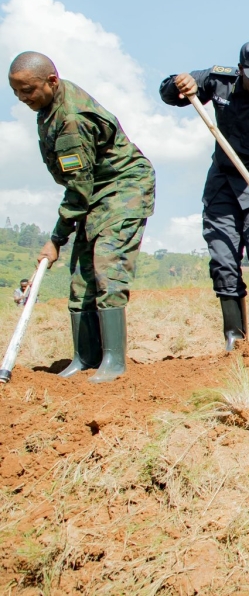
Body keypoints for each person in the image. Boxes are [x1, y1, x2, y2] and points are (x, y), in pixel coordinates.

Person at [10, 52, 155, 382]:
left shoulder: (72, 121)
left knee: (107, 268)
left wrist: (55, 240)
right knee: (81, 276)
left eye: (27, 90)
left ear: (52, 81)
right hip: (94, 189)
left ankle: (113, 362)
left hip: (123, 186)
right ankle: (84, 357)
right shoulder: (49, 105)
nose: (22, 98)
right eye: (15, 92)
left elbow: (78, 191)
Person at [160, 42, 249, 350]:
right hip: (224, 182)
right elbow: (171, 93)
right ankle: (235, 341)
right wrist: (178, 83)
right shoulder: (218, 80)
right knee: (223, 256)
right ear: (241, 71)